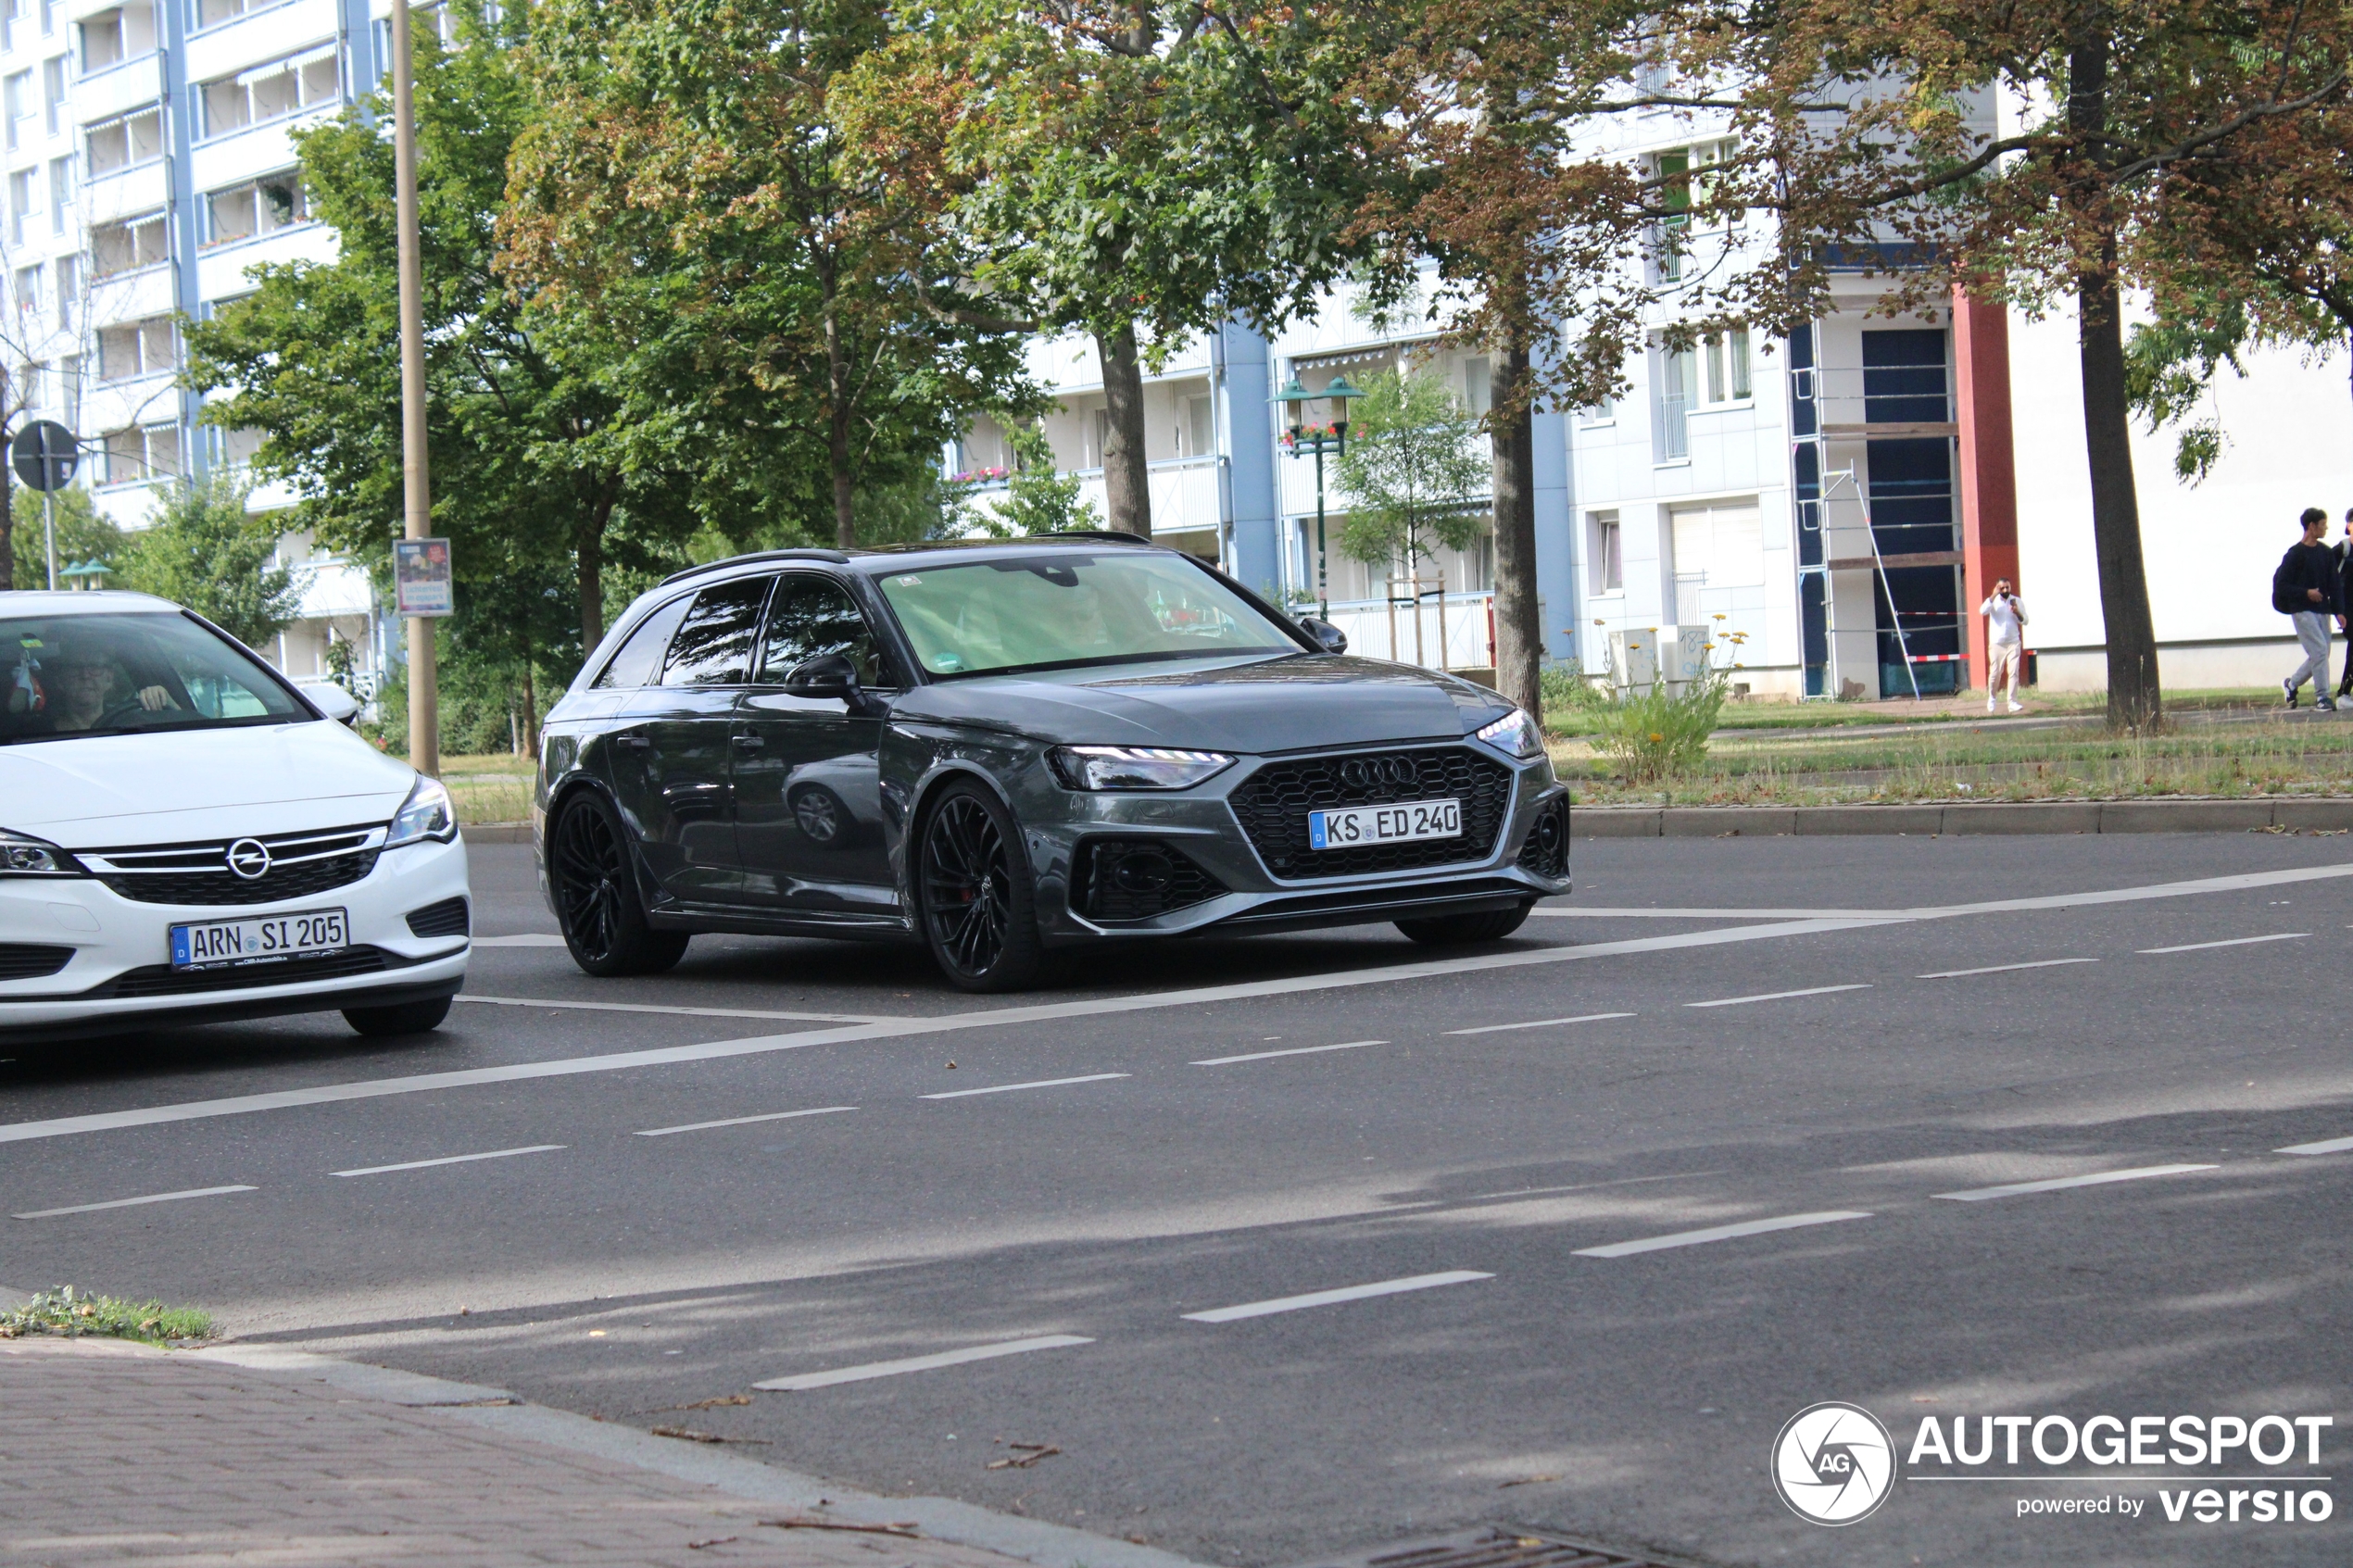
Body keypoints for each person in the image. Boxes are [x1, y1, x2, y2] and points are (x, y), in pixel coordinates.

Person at [2274, 507, 2343, 710]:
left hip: (2323, 610)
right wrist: (2306, 593)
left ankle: (2292, 684)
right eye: (2323, 525)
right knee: (2320, 651)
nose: (2326, 528)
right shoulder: (2295, 554)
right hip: (2302, 610)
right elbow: (2282, 585)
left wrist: (2339, 611)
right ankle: (2322, 697)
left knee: (2320, 654)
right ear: (2312, 527)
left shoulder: (2325, 553)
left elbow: (2334, 583)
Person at [1979, 577, 2027, 713]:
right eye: (2002, 588)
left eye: (2007, 587)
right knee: (1995, 673)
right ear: (1997, 588)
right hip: (1997, 643)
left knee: (2013, 672)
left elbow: (2025, 620)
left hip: (2013, 642)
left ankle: (2012, 702)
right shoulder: (1993, 601)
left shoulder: (2016, 601)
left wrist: (2017, 611)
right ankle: (1992, 698)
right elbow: (1982, 611)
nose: (2005, 590)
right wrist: (1993, 595)